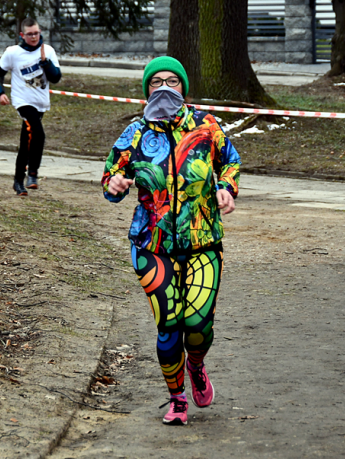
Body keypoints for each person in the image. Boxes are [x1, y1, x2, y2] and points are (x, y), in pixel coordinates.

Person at [101, 56, 240, 426]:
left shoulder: (207, 127)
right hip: (152, 244)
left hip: (203, 242)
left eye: (172, 81)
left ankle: (196, 364)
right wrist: (114, 184)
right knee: (169, 325)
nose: (163, 87)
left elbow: (230, 162)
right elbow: (111, 176)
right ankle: (177, 399)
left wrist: (227, 187)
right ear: (146, 89)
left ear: (184, 88)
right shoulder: (134, 134)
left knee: (197, 325)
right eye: (155, 82)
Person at [0, 17, 62, 196]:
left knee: (27, 142)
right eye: (30, 34)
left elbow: (55, 78)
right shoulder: (13, 52)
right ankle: (32, 174)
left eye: (36, 33)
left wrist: (46, 63)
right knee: (38, 133)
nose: (34, 37)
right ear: (22, 35)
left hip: (40, 103)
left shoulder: (48, 51)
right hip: (23, 102)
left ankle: (18, 181)